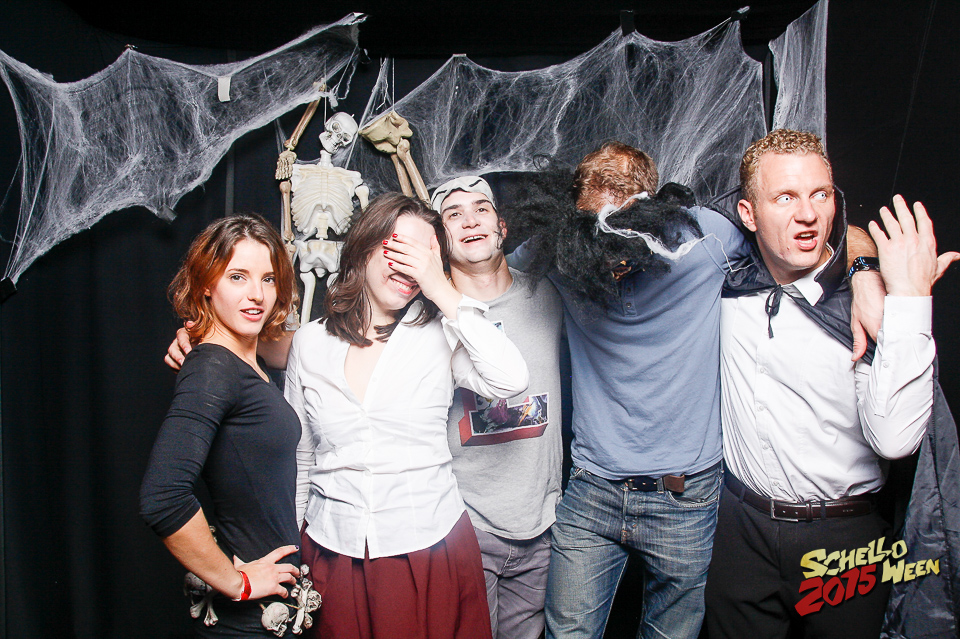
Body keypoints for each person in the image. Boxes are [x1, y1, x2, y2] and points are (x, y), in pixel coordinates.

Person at [504, 140, 884, 639]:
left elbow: (807, 230)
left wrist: (865, 270)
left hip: (686, 498)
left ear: (653, 212)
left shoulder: (704, 235)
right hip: (592, 489)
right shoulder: (560, 247)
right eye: (596, 232)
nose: (610, 248)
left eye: (626, 228)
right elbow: (486, 271)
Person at [704, 129, 956, 638]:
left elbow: (896, 440)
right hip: (740, 529)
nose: (807, 214)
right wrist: (863, 257)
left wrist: (907, 299)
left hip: (846, 537)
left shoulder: (862, 307)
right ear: (749, 214)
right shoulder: (726, 282)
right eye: (785, 197)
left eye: (820, 194)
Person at [285, 192, 528, 639]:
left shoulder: (441, 335)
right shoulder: (309, 343)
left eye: (425, 257)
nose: (410, 267)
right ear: (364, 247)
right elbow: (301, 457)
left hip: (430, 549)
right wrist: (292, 551)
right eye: (400, 249)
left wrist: (441, 288)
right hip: (330, 549)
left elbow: (511, 379)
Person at [140, 215, 303, 637]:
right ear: (206, 284)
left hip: (276, 611)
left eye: (268, 279)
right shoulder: (213, 367)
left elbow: (301, 343)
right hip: (246, 620)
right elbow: (162, 498)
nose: (257, 295)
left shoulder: (248, 358)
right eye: (237, 277)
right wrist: (237, 583)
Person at [431, 176, 564, 639]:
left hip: (541, 526)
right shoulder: (428, 316)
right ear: (439, 240)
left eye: (481, 209)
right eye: (454, 215)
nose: (469, 220)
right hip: (466, 527)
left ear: (502, 228)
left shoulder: (548, 294)